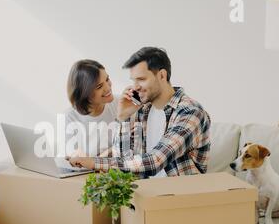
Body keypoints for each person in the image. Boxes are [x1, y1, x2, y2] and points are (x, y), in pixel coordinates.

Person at [68, 47, 211, 178]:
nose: (135, 87)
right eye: (133, 80)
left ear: (162, 75)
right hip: (144, 196)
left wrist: (93, 162)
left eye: (141, 79)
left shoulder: (189, 112)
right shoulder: (142, 110)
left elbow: (155, 161)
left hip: (178, 199)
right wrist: (123, 118)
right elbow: (123, 163)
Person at [63, 59, 118, 158]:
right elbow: (74, 161)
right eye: (99, 86)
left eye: (107, 79)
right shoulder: (70, 117)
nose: (108, 88)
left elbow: (129, 148)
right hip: (80, 173)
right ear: (85, 93)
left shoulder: (119, 104)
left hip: (109, 170)